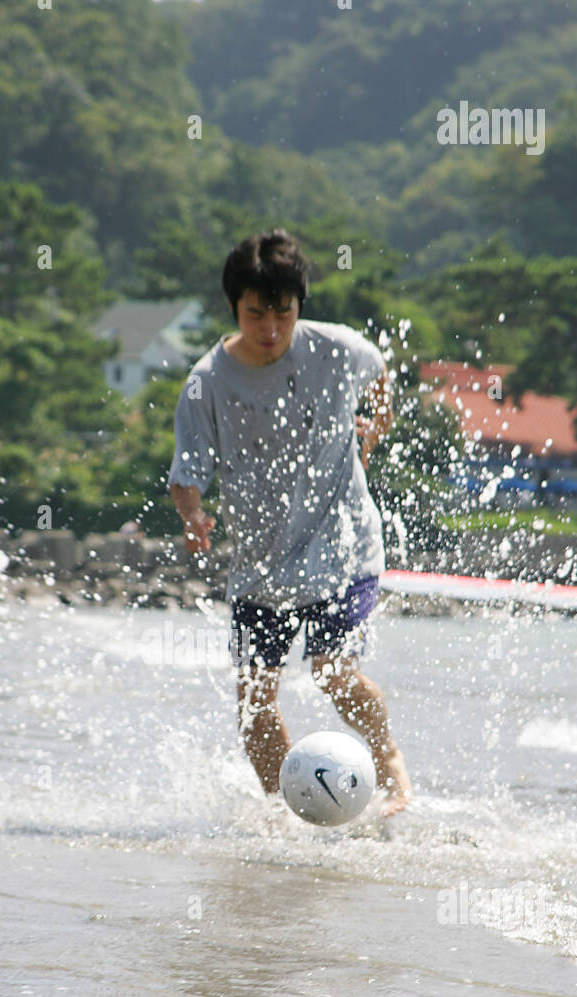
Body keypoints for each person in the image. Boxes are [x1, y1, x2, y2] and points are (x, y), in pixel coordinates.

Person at [167, 228, 412, 817]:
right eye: (256, 315)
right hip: (261, 565)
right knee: (255, 698)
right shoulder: (207, 381)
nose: (271, 329)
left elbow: (381, 382)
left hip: (344, 544)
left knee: (333, 674)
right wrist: (193, 513)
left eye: (284, 313)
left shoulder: (338, 348)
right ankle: (285, 809)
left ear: (299, 306)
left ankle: (391, 766)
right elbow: (185, 474)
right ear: (235, 308)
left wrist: (369, 434)